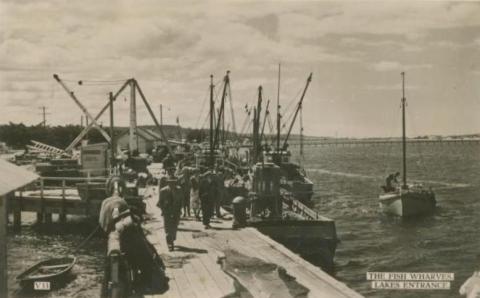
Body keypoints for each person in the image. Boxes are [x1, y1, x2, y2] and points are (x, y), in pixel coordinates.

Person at [157, 177, 183, 251]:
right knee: (168, 229)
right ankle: (170, 244)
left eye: (174, 183)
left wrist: (180, 209)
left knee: (174, 227)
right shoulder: (163, 191)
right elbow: (160, 203)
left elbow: (181, 201)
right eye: (170, 183)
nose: (172, 184)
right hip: (167, 212)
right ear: (168, 183)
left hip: (176, 212)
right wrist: (163, 209)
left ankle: (172, 238)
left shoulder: (179, 190)